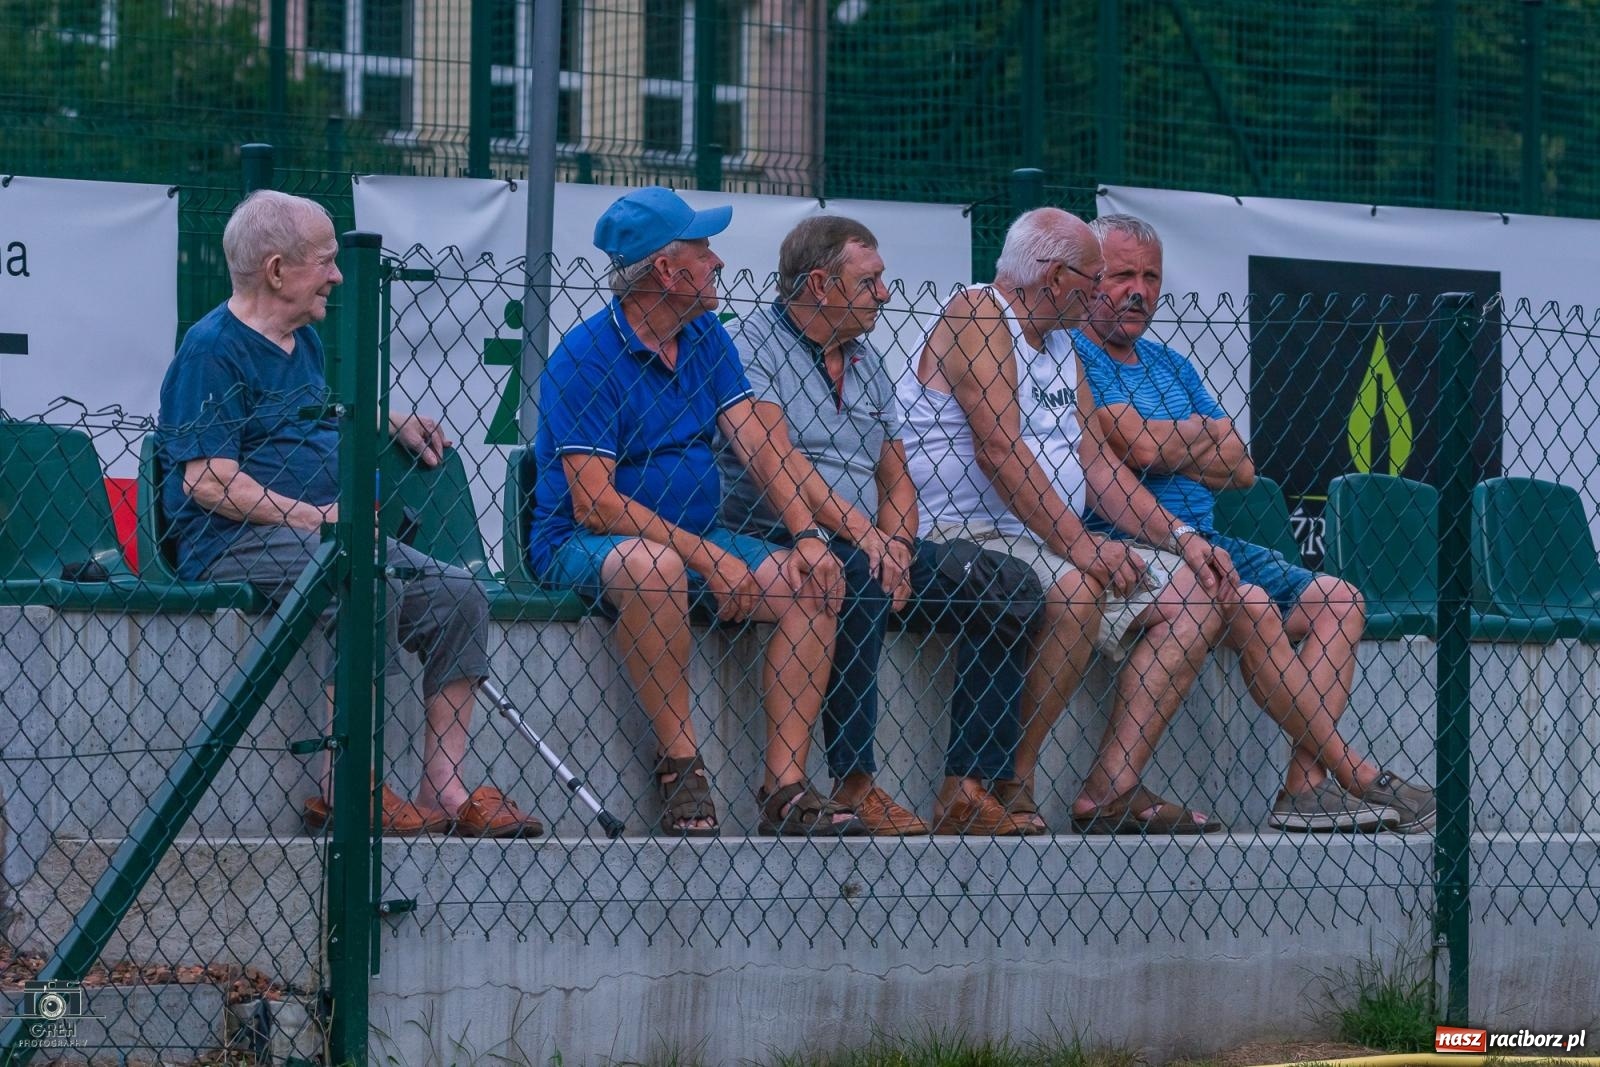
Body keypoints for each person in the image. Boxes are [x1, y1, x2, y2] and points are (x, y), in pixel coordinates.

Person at [158, 190, 540, 838]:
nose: (338, 276)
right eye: (327, 261)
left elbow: (307, 419)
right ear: (278, 270)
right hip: (231, 540)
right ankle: (349, 785)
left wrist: (385, 419)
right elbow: (207, 481)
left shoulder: (301, 343)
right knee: (367, 573)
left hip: (324, 532)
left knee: (460, 595)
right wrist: (316, 519)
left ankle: (443, 788)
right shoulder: (209, 350)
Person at [1072, 212, 1436, 832]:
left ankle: (1305, 786)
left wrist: (1166, 442)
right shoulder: (1076, 353)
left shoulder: (1171, 365)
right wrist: (1191, 439)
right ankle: (1355, 772)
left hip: (1210, 539)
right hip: (1134, 539)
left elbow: (1240, 465)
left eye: (1151, 277)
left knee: (1341, 600)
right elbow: (1131, 450)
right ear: (1088, 278)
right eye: (1122, 274)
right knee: (1255, 604)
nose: (1139, 290)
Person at [899, 206, 1241, 835]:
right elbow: (999, 452)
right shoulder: (977, 314)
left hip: (1042, 539)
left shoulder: (1061, 343)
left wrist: (1182, 537)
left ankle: (1065, 786)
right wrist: (1084, 547)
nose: (1099, 291)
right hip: (963, 534)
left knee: (1200, 592)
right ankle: (1002, 785)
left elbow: (1096, 463)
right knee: (1079, 584)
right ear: (1054, 279)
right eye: (1093, 276)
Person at [527, 186, 856, 838]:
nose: (719, 263)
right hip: (582, 544)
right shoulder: (585, 356)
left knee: (818, 578)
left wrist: (809, 535)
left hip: (701, 536)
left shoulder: (704, 333)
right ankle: (681, 765)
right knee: (653, 567)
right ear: (665, 271)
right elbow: (595, 504)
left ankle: (784, 785)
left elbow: (759, 442)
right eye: (704, 250)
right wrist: (708, 556)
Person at [718, 215, 1047, 836]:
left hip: (870, 543)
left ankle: (966, 789)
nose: (886, 295)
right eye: (870, 283)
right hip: (780, 538)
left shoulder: (868, 362)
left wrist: (895, 542)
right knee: (859, 577)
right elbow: (777, 459)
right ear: (820, 284)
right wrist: (868, 539)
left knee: (1013, 588)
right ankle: (855, 784)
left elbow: (895, 477)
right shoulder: (751, 344)